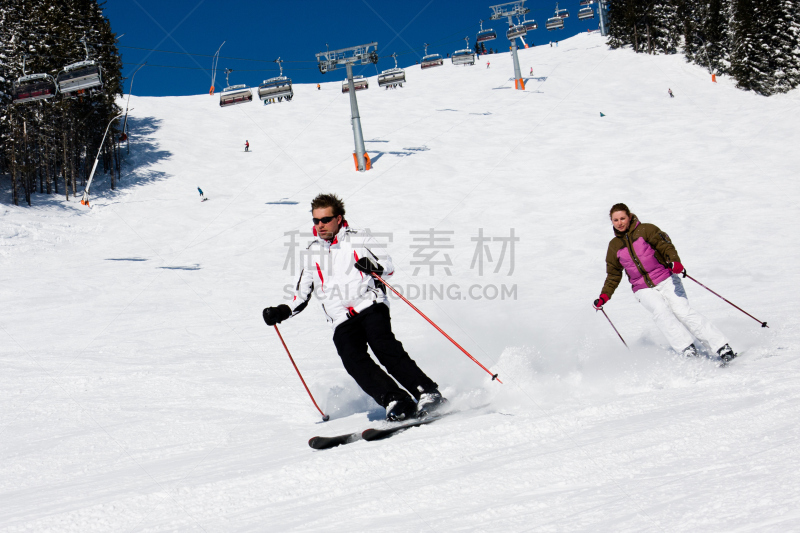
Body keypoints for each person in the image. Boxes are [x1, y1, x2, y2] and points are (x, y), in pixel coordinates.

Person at [262, 193, 447, 421]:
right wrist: (281, 311)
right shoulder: (311, 252)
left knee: (383, 345)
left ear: (338, 219)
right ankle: (396, 400)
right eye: (316, 221)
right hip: (340, 319)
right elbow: (301, 294)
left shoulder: (359, 238)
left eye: (325, 220)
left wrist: (373, 266)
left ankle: (426, 391)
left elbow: (387, 266)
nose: (320, 225)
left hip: (369, 304)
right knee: (352, 358)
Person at [594, 203, 736, 362]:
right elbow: (613, 274)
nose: (619, 223)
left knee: (682, 311)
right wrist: (604, 296)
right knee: (660, 311)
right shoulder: (614, 246)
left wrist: (675, 262)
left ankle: (721, 346)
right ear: (611, 222)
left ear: (629, 216)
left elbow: (666, 246)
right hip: (642, 288)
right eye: (615, 220)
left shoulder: (646, 230)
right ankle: (686, 349)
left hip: (666, 278)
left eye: (622, 218)